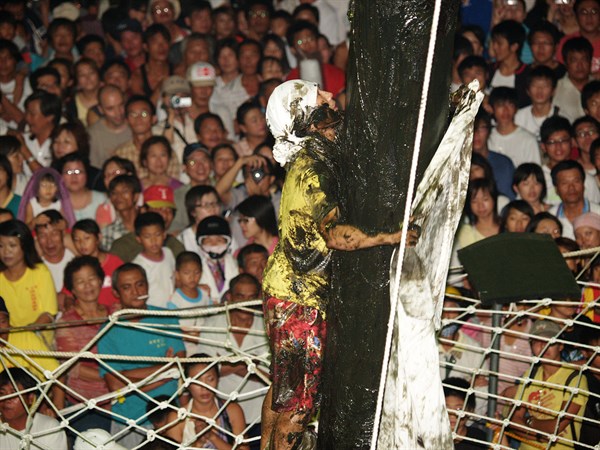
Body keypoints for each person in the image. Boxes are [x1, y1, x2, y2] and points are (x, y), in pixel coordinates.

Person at [260, 80, 418, 449]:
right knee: (300, 400)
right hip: (300, 297)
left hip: (287, 288)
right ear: (308, 117)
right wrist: (390, 237)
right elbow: (334, 235)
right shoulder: (313, 169)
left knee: (287, 388)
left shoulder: (314, 159)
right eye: (320, 96)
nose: (331, 97)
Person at [98, 263, 185, 448]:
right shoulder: (108, 330)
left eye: (140, 284)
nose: (136, 292)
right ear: (116, 292)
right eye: (126, 287)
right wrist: (164, 370)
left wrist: (127, 375)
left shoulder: (166, 318)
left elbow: (179, 365)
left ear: (147, 285)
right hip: (129, 421)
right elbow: (116, 386)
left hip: (170, 419)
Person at [196, 273, 269, 447]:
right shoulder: (213, 323)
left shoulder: (267, 326)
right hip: (221, 414)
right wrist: (247, 364)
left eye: (251, 297)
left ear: (259, 297)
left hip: (260, 414)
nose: (246, 302)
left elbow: (271, 376)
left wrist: (226, 363)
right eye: (240, 296)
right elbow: (204, 370)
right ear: (229, 297)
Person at [507, 319, 589, 450]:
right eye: (537, 341)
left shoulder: (575, 378)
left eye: (549, 341)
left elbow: (557, 425)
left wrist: (529, 421)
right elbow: (513, 419)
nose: (543, 346)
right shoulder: (530, 374)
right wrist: (538, 436)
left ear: (560, 345)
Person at [55, 256, 113, 434]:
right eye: (80, 282)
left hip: (120, 400)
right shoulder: (66, 323)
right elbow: (73, 368)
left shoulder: (116, 313)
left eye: (92, 278)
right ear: (72, 289)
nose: (88, 285)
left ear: (100, 280)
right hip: (85, 406)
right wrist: (116, 377)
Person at [0, 220, 58, 374]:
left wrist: (26, 335)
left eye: (12, 246)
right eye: (1, 246)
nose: (6, 252)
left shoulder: (39, 272)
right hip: (5, 341)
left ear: (24, 246)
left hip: (37, 341)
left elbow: (49, 314)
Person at [164, 355, 249, 449]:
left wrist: (212, 437)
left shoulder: (232, 410)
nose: (204, 387)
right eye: (197, 381)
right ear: (187, 383)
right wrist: (198, 443)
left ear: (218, 379)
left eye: (210, 379)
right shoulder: (177, 418)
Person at [0, 368, 68, 449]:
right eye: (2, 393)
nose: (6, 399)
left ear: (30, 398)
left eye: (14, 393)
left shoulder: (49, 429)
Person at [166, 251, 211, 355]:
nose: (192, 277)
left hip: (205, 346)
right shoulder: (175, 301)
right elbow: (172, 328)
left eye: (196, 272)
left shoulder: (205, 295)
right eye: (187, 273)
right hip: (185, 349)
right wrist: (191, 337)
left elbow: (211, 319)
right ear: (177, 275)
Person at [72, 219, 123, 308]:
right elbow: (67, 294)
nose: (82, 244)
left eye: (87, 238)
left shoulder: (115, 262)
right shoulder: (75, 267)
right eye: (77, 240)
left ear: (98, 238)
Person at [487, 87, 541, 169]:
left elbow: (534, 172)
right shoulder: (487, 137)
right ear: (491, 109)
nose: (506, 110)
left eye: (510, 105)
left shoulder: (528, 140)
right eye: (500, 105)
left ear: (516, 109)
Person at [132, 212, 176, 309]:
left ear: (164, 234)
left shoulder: (168, 253)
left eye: (157, 235)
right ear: (139, 239)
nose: (153, 241)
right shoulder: (138, 266)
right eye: (147, 237)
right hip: (152, 312)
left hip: (172, 309)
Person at [550, 160, 600, 238]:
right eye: (564, 183)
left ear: (583, 184)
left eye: (576, 181)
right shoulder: (550, 218)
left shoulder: (598, 212)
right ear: (556, 189)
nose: (571, 188)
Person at [196, 215, 239, 303]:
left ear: (228, 242)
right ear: (200, 243)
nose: (214, 244)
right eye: (208, 241)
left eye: (219, 240)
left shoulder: (237, 264)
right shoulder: (195, 265)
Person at [34, 209, 75, 295]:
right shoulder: (34, 264)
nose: (49, 241)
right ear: (36, 238)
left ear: (63, 234)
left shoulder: (75, 254)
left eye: (54, 233)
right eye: (43, 235)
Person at [57, 153, 106, 221]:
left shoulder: (102, 200)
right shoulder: (55, 203)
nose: (74, 176)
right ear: (61, 176)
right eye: (68, 172)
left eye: (78, 171)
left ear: (86, 174)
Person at [443, 377, 487, 450]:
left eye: (459, 409)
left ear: (470, 410)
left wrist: (498, 429)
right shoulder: (428, 438)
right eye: (447, 409)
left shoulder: (478, 439)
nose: (452, 415)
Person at [178, 185, 221, 253]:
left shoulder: (225, 233)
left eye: (215, 203)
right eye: (207, 205)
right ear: (193, 212)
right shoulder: (183, 239)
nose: (213, 208)